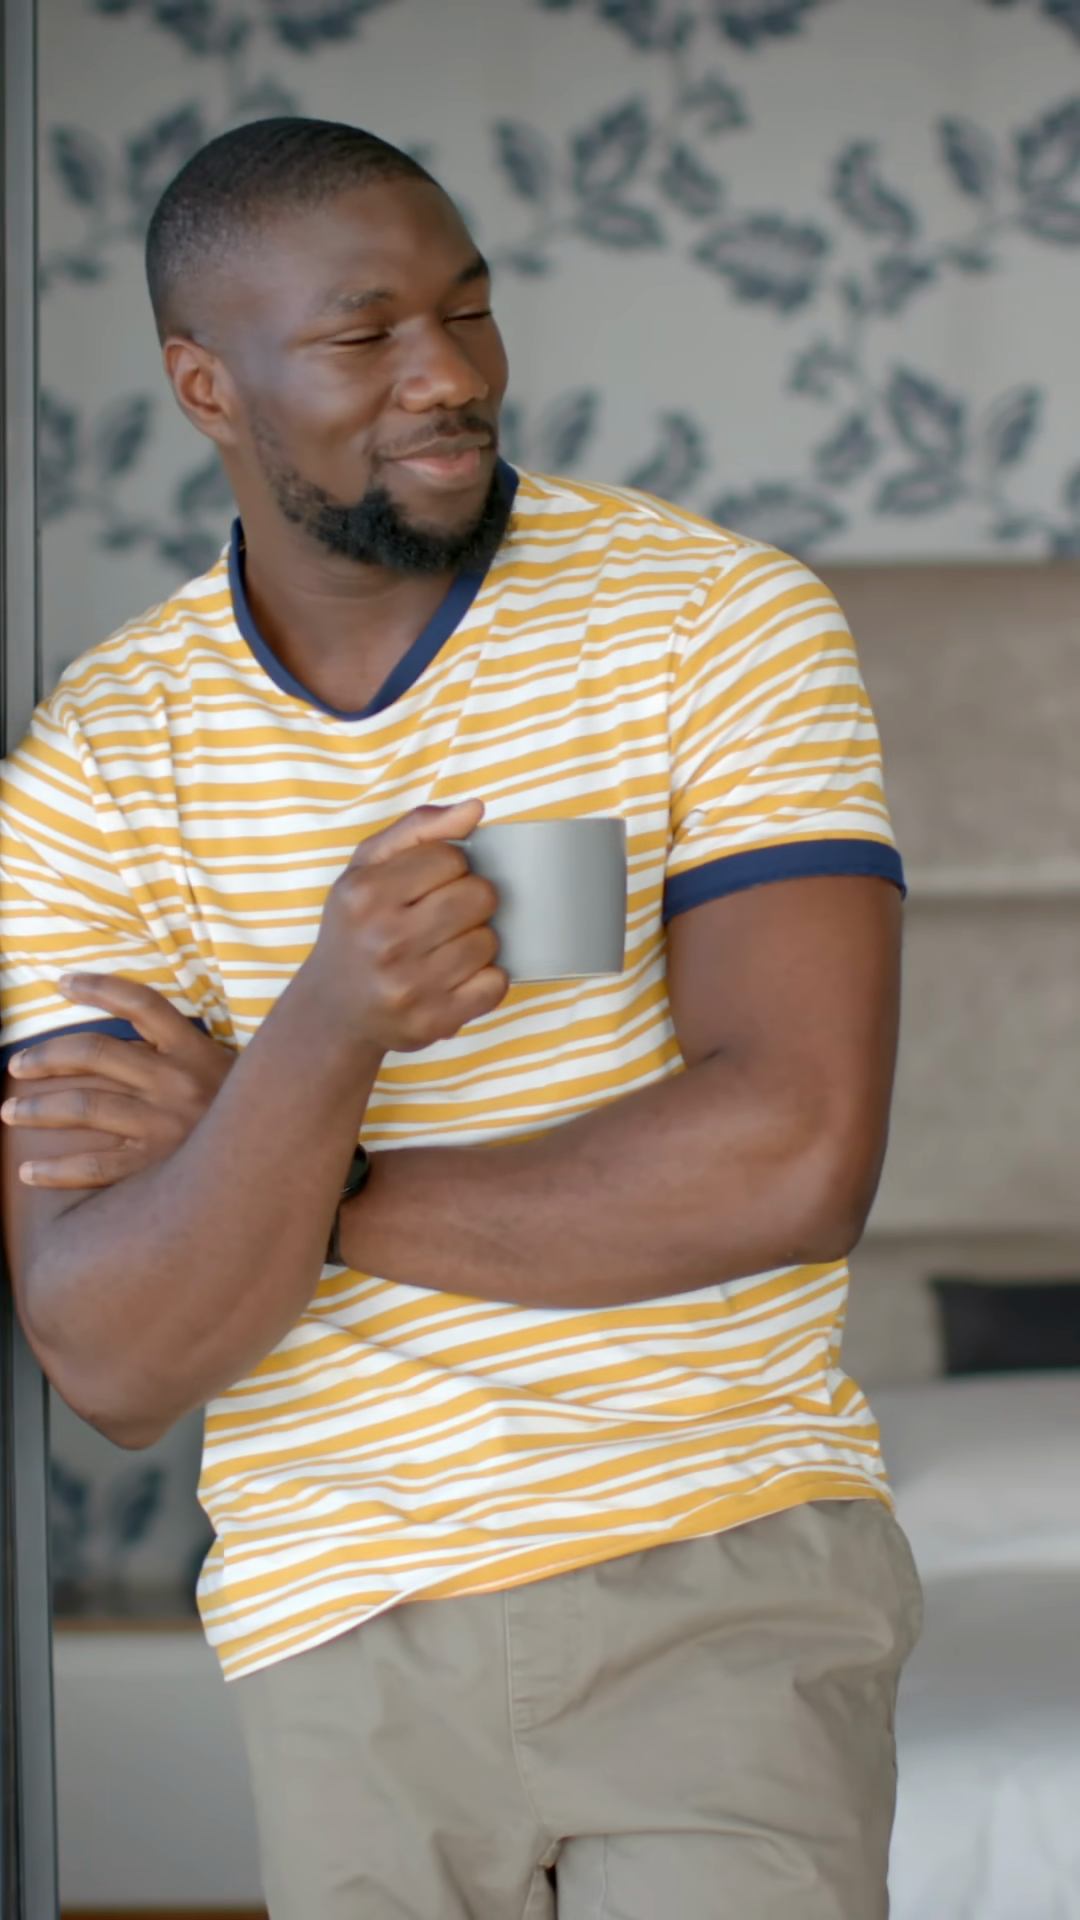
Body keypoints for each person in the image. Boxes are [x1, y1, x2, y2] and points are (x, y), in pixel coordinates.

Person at [0, 117, 921, 1920]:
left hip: (720, 1563)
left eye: (469, 311)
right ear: (205, 384)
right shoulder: (96, 767)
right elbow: (114, 1355)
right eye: (366, 335)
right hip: (337, 1622)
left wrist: (280, 1162)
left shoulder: (715, 624)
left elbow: (794, 1158)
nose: (449, 375)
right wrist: (328, 1024)